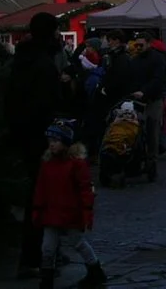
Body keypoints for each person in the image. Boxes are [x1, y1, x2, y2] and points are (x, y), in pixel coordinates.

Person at [5, 13, 67, 277]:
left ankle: (46, 251)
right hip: (40, 139)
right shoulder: (42, 64)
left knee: (39, 197)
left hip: (24, 135)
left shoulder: (21, 60)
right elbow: (46, 105)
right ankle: (36, 256)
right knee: (42, 198)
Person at [31, 120, 106, 289]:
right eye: (50, 142)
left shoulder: (76, 164)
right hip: (51, 213)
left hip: (71, 213)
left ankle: (95, 270)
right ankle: (46, 279)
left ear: (65, 142)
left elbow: (85, 189)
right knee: (47, 247)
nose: (51, 145)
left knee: (78, 243)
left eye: (55, 141)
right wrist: (38, 209)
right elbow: (40, 188)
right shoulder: (47, 163)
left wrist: (87, 211)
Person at [126, 37, 166, 165]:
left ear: (149, 44)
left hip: (153, 98)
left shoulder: (158, 58)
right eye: (136, 45)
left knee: (152, 129)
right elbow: (131, 77)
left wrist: (144, 91)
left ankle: (152, 161)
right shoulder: (135, 60)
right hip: (137, 98)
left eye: (141, 45)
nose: (138, 47)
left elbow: (158, 79)